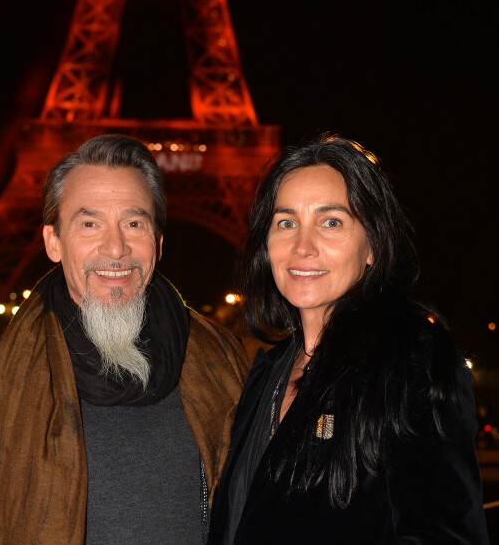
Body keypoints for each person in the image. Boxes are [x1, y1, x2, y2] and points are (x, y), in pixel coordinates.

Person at [0, 134, 250, 544]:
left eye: (134, 223)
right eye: (90, 223)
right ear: (53, 241)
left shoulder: (229, 365)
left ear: (157, 244)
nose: (115, 247)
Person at [208, 135, 488, 544]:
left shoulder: (411, 361)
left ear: (372, 243)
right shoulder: (267, 372)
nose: (302, 247)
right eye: (286, 222)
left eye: (331, 222)